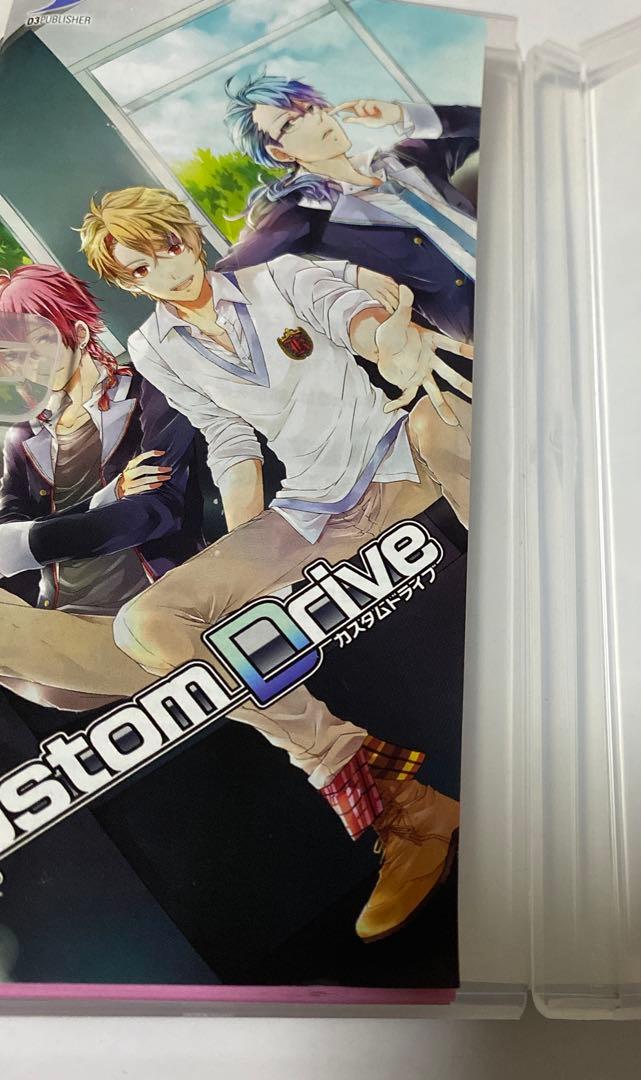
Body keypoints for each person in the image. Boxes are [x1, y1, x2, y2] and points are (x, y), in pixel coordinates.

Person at [79, 186, 473, 941]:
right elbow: (227, 438)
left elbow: (353, 319)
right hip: (310, 507)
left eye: (169, 245)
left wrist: (389, 337)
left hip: (397, 462)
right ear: (128, 282)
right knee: (146, 623)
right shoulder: (154, 346)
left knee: (444, 419)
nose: (169, 268)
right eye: (143, 266)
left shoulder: (277, 276)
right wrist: (250, 553)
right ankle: (400, 804)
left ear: (187, 235)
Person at [0, 263, 203, 712]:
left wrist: (27, 543)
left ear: (78, 332)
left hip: (151, 614)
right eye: (16, 354)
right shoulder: (24, 437)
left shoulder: (150, 388)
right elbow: (6, 536)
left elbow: (155, 511)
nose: (31, 365)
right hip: (67, 627)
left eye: (38, 344)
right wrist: (106, 498)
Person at [218, 72, 479, 342]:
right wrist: (345, 274)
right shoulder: (301, 213)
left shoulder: (404, 158)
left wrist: (401, 114)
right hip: (478, 321)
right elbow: (226, 279)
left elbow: (488, 122)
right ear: (280, 153)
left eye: (311, 107)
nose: (315, 119)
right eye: (290, 122)